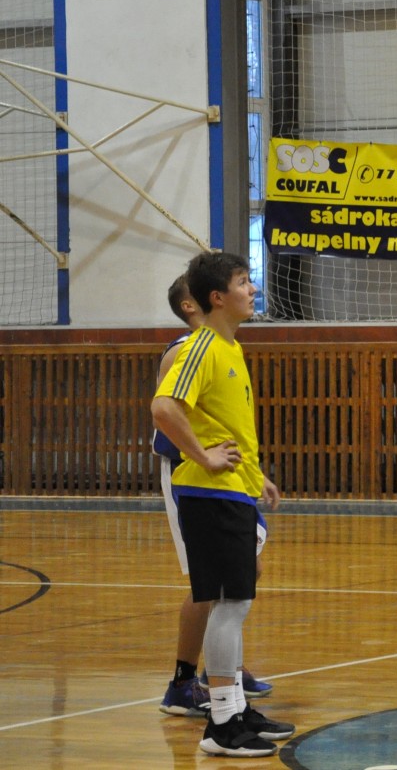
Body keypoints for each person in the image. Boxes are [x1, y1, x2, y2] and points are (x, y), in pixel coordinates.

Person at [151, 251, 295, 758]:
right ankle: (221, 725)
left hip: (232, 489)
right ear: (216, 297)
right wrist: (204, 457)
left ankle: (234, 710)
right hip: (207, 493)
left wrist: (256, 477)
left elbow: (223, 425)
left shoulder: (229, 347)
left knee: (236, 602)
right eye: (243, 281)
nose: (252, 289)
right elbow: (164, 408)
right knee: (228, 605)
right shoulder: (199, 348)